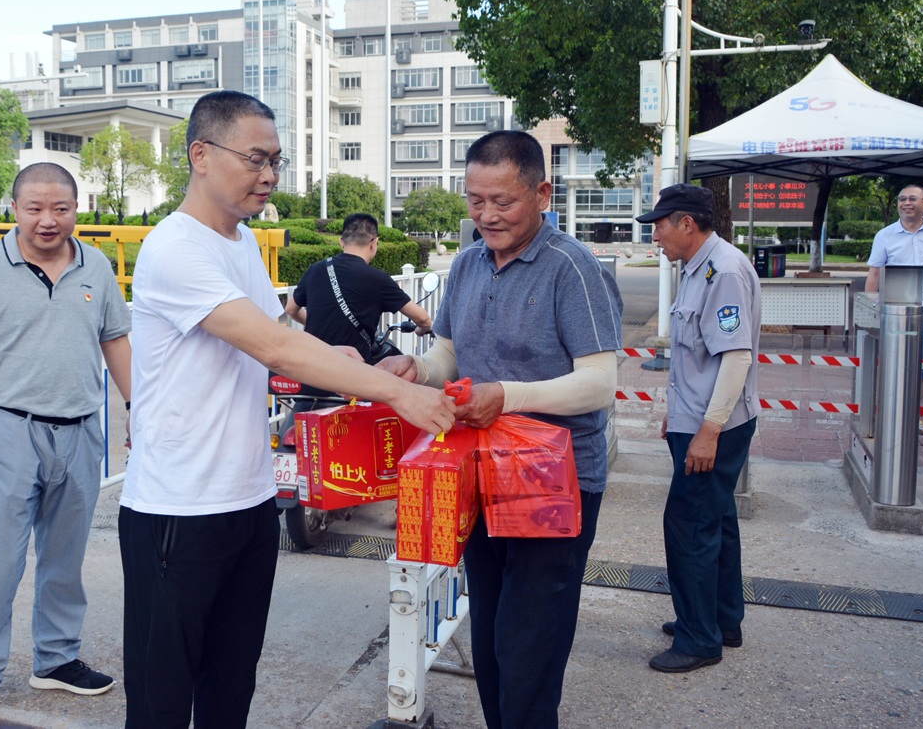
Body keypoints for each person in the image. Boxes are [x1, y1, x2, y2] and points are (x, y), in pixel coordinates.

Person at [119, 90, 453, 729]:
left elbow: (284, 341)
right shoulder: (174, 248)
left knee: (230, 683)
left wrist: (366, 371)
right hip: (177, 509)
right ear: (201, 155)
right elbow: (273, 343)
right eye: (256, 159)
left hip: (247, 501)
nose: (270, 175)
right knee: (162, 698)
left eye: (276, 161)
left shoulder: (239, 242)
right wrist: (399, 394)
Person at [378, 131, 623, 729]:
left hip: (555, 484)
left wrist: (508, 397)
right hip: (483, 474)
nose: (486, 215)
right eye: (474, 200)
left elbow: (599, 383)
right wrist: (420, 370)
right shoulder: (466, 264)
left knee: (529, 642)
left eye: (503, 201)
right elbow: (449, 353)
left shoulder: (573, 268)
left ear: (541, 193)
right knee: (487, 626)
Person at [0, 162, 133, 729]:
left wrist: (135, 406)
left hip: (80, 431)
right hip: (11, 430)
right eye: (35, 208)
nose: (48, 221)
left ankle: (56, 658)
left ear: (78, 208)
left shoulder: (95, 265)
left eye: (61, 209)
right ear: (15, 207)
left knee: (64, 559)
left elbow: (115, 338)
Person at [634, 184, 760, 674]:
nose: (656, 237)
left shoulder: (723, 270)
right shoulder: (700, 265)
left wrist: (707, 429)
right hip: (701, 418)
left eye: (660, 226)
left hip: (716, 425)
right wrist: (682, 413)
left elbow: (735, 357)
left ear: (687, 223)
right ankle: (721, 620)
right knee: (716, 521)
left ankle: (698, 639)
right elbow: (698, 357)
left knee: (689, 527)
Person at [865, 185, 923, 434]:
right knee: (893, 365)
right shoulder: (885, 235)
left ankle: (910, 410)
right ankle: (891, 412)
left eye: (913, 199)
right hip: (894, 316)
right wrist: (871, 308)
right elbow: (874, 272)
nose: (907, 203)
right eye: (902, 199)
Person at [285, 212, 432, 364]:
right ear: (374, 243)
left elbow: (291, 309)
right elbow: (422, 318)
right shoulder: (379, 279)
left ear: (342, 242)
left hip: (312, 365)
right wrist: (423, 328)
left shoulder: (315, 269)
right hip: (353, 372)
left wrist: (319, 324)